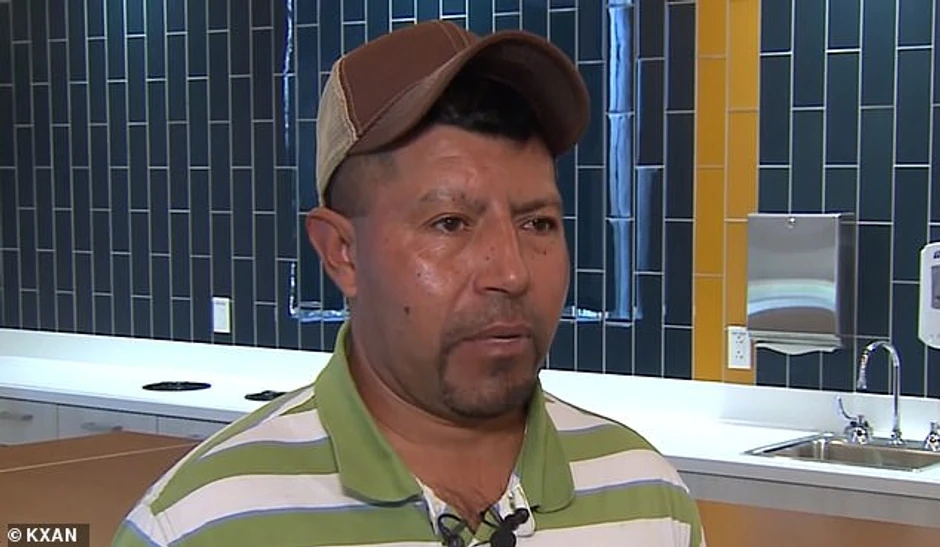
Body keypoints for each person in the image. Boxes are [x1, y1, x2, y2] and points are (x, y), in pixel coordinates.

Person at [111, 20, 706, 547]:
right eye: (450, 223)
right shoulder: (199, 525)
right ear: (342, 253)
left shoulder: (650, 502)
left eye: (538, 223)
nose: (512, 272)